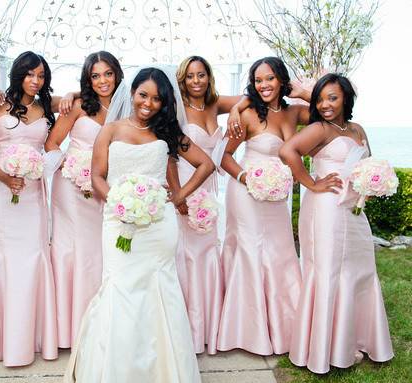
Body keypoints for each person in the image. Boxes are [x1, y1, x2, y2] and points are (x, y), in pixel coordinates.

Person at [64, 67, 215, 382]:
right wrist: (118, 204)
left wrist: (176, 197)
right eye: (143, 95)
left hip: (158, 224)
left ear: (165, 102)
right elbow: (97, 177)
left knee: (159, 288)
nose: (148, 103)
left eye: (157, 99)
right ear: (131, 93)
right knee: (120, 285)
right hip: (118, 221)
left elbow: (206, 164)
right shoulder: (111, 130)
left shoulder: (167, 132)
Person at [279, 73, 393, 373]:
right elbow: (287, 151)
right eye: (320, 98)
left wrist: (372, 182)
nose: (325, 104)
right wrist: (311, 184)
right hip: (327, 208)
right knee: (329, 271)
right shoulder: (320, 128)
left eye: (333, 97)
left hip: (354, 210)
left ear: (346, 99)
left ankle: (355, 338)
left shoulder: (357, 129)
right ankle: (323, 348)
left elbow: (367, 163)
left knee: (361, 269)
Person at [0, 51, 58, 366]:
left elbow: (81, 104)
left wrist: (73, 94)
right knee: (1, 260)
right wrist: (5, 177)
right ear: (18, 74)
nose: (36, 81)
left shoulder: (47, 105)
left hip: (33, 196)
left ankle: (28, 339)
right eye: (30, 74)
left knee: (32, 257)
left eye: (41, 76)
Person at [218, 57, 308, 355]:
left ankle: (287, 326)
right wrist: (246, 178)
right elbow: (225, 156)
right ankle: (248, 331)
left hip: (277, 196)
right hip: (246, 194)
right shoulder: (247, 116)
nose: (264, 85)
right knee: (253, 252)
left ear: (281, 80)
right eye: (258, 80)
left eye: (270, 78)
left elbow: (331, 109)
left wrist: (301, 91)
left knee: (281, 253)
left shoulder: (294, 112)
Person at [44, 51, 124, 348]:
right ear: (88, 79)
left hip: (103, 190)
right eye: (95, 76)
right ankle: (67, 328)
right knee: (71, 250)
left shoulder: (124, 110)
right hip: (70, 188)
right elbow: (51, 143)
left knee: (97, 252)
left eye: (107, 74)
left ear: (117, 74)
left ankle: (96, 323)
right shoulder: (77, 106)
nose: (102, 81)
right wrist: (73, 167)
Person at [174, 55, 243, 354]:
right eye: (190, 76)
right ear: (182, 79)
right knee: (184, 255)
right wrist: (177, 194)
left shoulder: (215, 105)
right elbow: (167, 153)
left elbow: (250, 95)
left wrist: (238, 110)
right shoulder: (176, 108)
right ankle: (183, 331)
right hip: (185, 188)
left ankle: (207, 329)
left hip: (209, 192)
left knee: (206, 254)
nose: (196, 81)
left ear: (209, 77)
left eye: (201, 75)